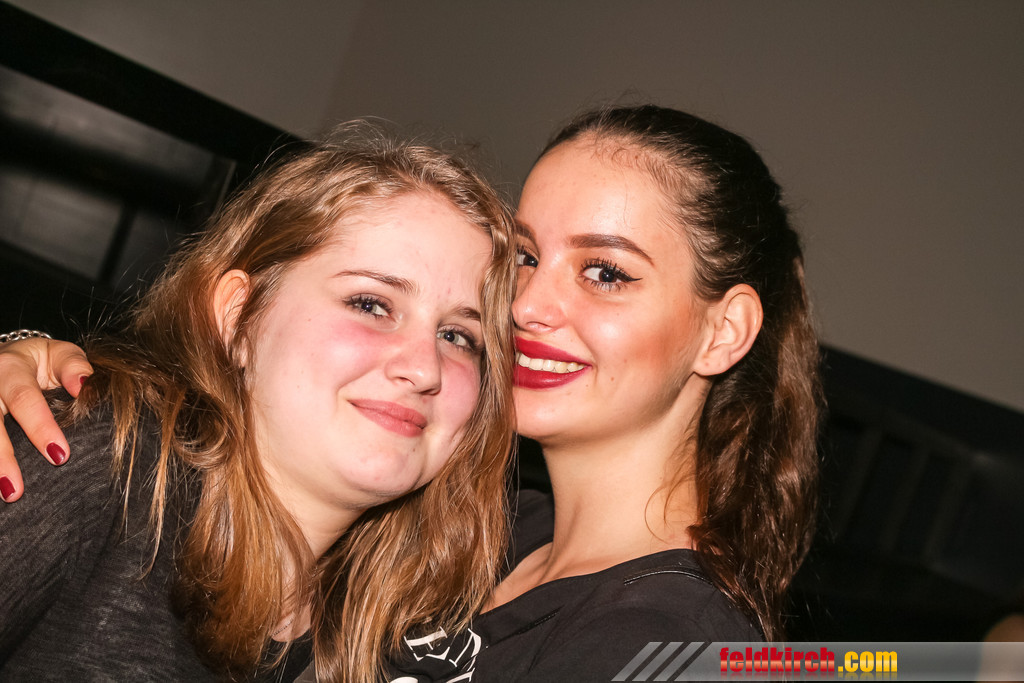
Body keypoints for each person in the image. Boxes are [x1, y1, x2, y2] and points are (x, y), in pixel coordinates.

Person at [1, 105, 820, 681]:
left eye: (605, 272)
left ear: (724, 331)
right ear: (237, 314)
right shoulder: (465, 537)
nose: (526, 308)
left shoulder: (678, 647)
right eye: (525, 259)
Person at [0, 126, 518, 681]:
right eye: (371, 304)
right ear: (239, 319)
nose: (424, 368)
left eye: (458, 336)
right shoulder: (100, 465)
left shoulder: (404, 639)